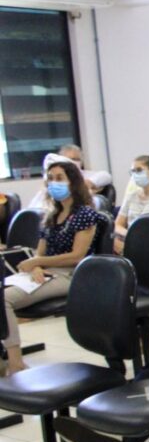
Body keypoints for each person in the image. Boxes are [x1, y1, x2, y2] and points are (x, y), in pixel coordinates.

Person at [3, 160, 100, 374]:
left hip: (71, 275)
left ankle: (15, 362)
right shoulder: (52, 216)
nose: (53, 183)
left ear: (73, 183)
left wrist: (38, 262)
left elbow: (77, 256)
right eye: (50, 179)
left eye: (59, 179)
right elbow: (40, 252)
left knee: (5, 300)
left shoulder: (85, 214)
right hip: (45, 272)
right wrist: (36, 266)